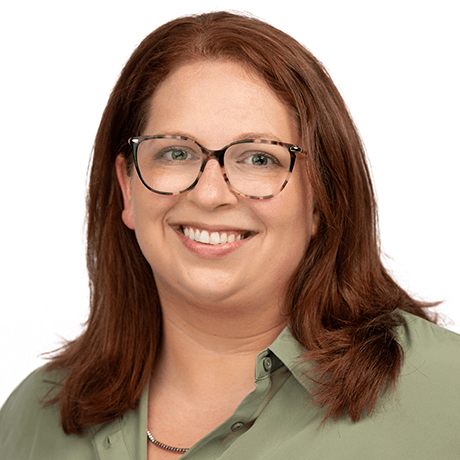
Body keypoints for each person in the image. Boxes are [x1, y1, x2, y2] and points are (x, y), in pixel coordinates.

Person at [1, 11, 459, 460]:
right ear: (127, 188)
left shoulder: (446, 396)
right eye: (176, 152)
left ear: (321, 196)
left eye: (259, 158)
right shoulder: (32, 421)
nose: (209, 193)